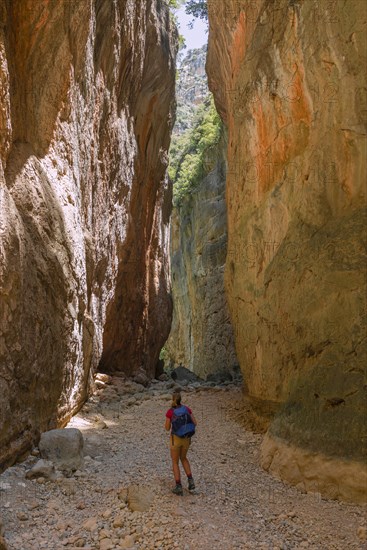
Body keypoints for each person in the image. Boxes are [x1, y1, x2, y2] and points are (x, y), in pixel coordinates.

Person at [165, 391, 197, 495]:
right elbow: (195, 423)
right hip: (187, 438)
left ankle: (178, 486)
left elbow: (167, 428)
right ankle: (191, 482)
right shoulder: (187, 409)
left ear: (172, 399)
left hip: (176, 439)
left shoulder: (170, 412)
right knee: (184, 458)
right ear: (180, 399)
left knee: (175, 462)